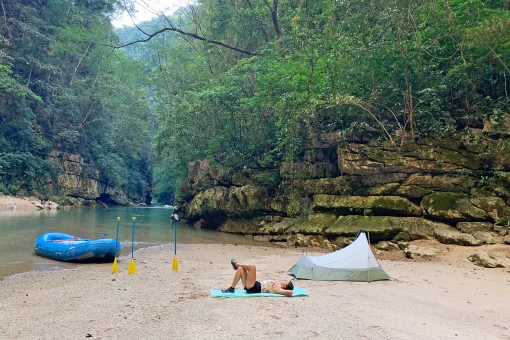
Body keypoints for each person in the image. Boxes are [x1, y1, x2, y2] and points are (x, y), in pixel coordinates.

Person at [221, 259, 294, 296]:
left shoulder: (278, 289)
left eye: (286, 281)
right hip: (253, 285)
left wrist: (285, 291)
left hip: (253, 287)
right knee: (240, 269)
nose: (285, 280)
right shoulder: (277, 286)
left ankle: (236, 264)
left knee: (252, 267)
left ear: (285, 286)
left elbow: (290, 293)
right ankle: (231, 288)